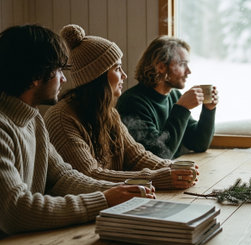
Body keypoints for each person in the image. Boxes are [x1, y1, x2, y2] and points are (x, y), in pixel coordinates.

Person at [0, 24, 155, 235]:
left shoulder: (33, 119)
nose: (64, 78)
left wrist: (124, 191)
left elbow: (64, 177)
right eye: (58, 70)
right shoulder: (4, 128)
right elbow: (16, 211)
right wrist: (105, 199)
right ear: (36, 76)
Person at [44, 24, 195, 190]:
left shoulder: (109, 113)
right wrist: (157, 177)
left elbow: (137, 156)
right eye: (117, 68)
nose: (124, 75)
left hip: (115, 203)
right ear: (97, 76)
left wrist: (173, 168)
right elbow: (90, 175)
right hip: (86, 211)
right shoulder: (62, 117)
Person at [116, 36, 218, 159]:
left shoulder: (174, 96)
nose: (189, 71)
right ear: (161, 67)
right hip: (148, 177)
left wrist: (209, 110)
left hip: (172, 172)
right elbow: (159, 154)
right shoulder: (131, 103)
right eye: (182, 64)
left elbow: (198, 143)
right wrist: (182, 108)